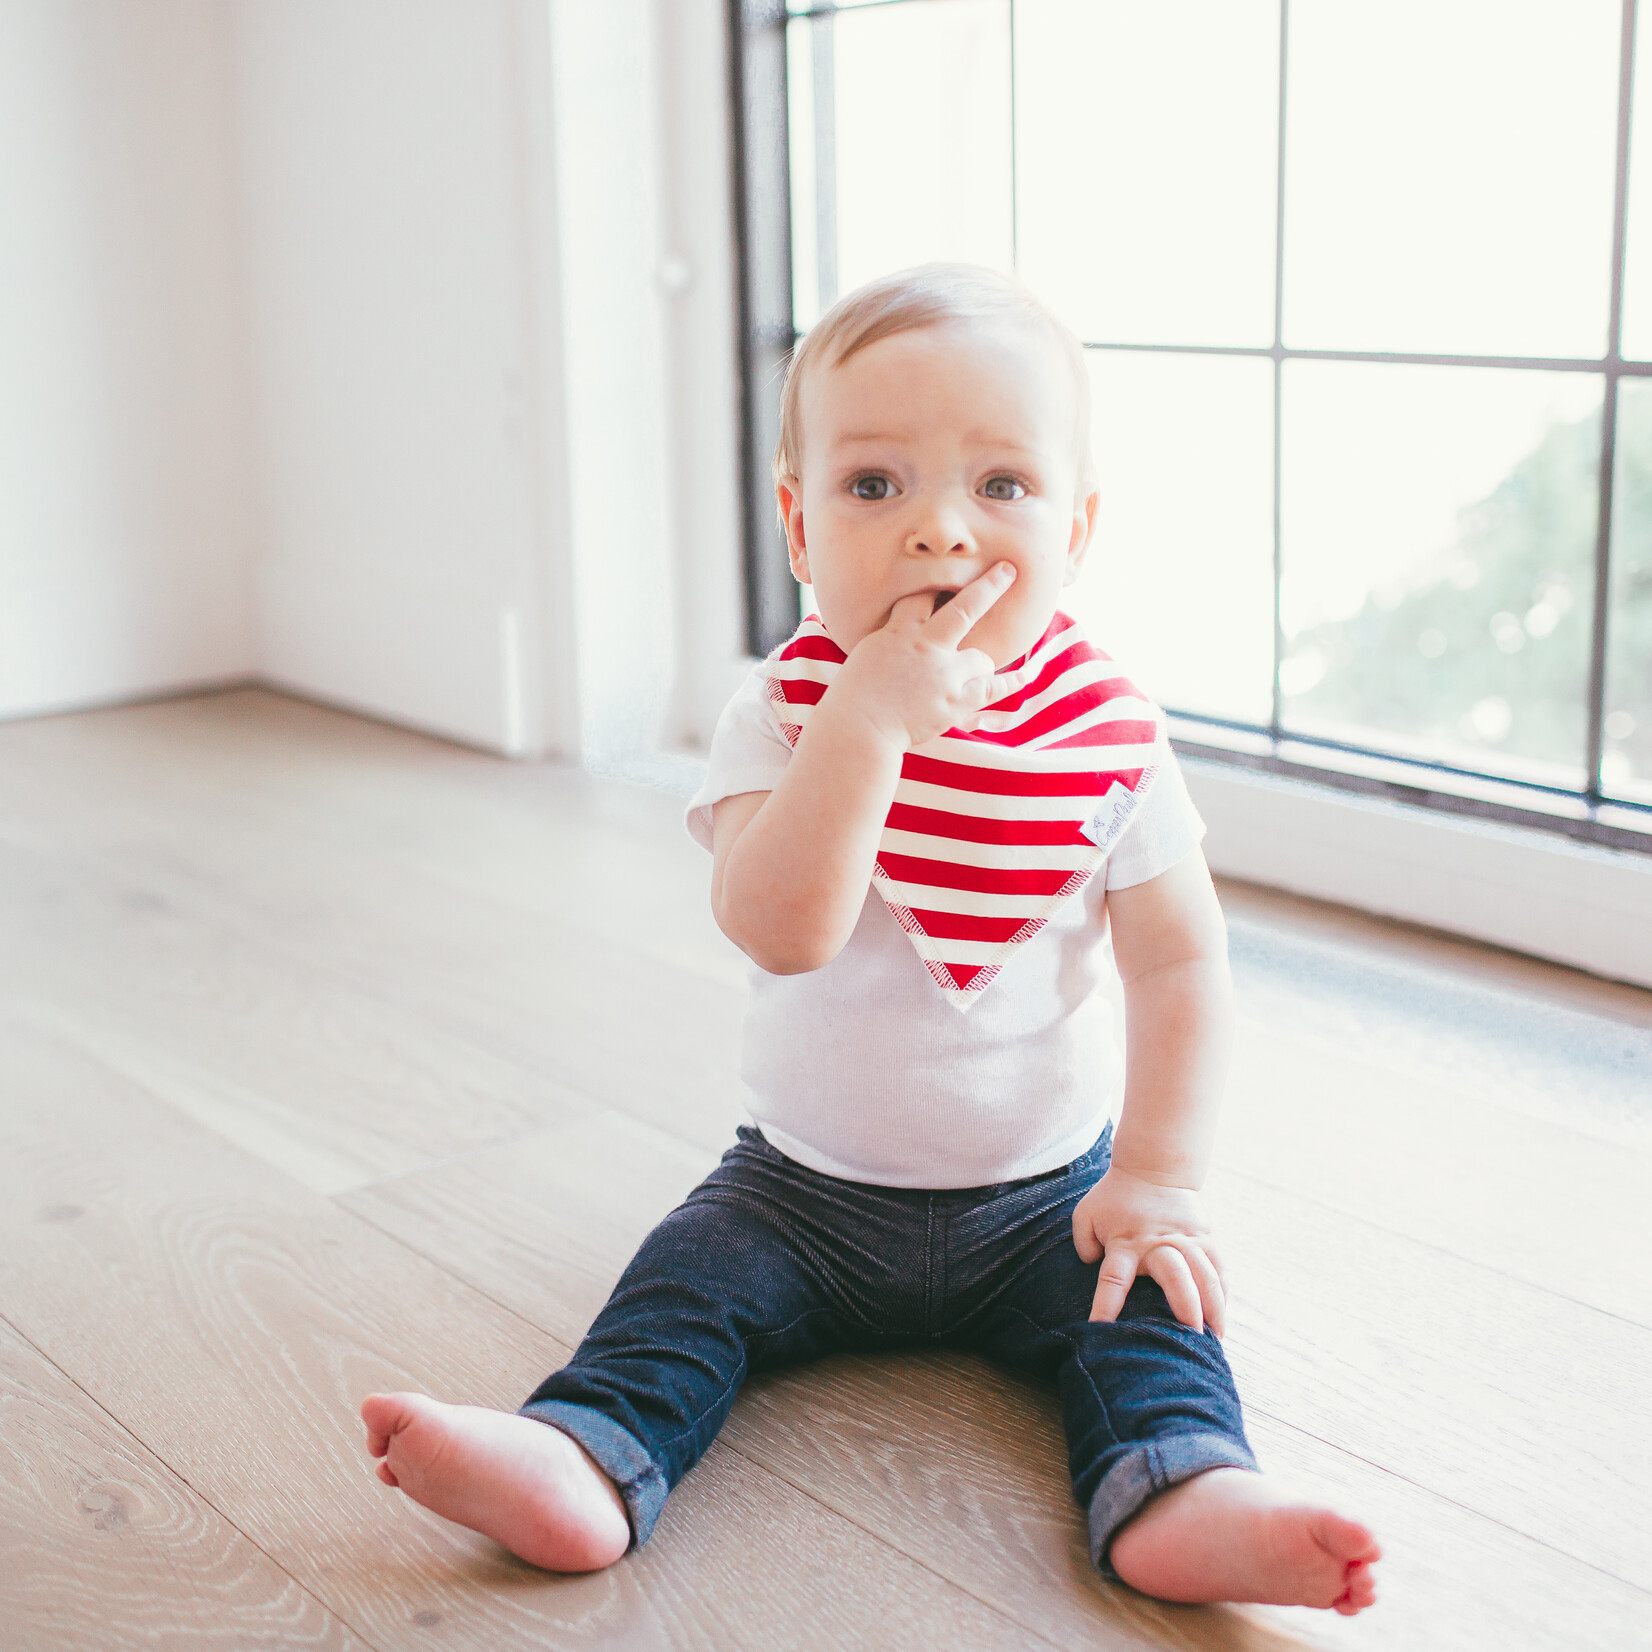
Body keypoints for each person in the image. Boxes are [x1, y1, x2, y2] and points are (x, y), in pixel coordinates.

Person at [360, 263, 1381, 1613]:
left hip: (1049, 1199)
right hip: (802, 1191)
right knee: (682, 1293)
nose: (940, 533)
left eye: (1002, 487)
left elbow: (1180, 964)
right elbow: (779, 929)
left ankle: (1187, 1492)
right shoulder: (781, 718)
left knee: (1153, 1314)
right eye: (875, 487)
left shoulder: (1109, 740)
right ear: (796, 525)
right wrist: (869, 727)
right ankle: (583, 1455)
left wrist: (1159, 1180)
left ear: (1078, 526)